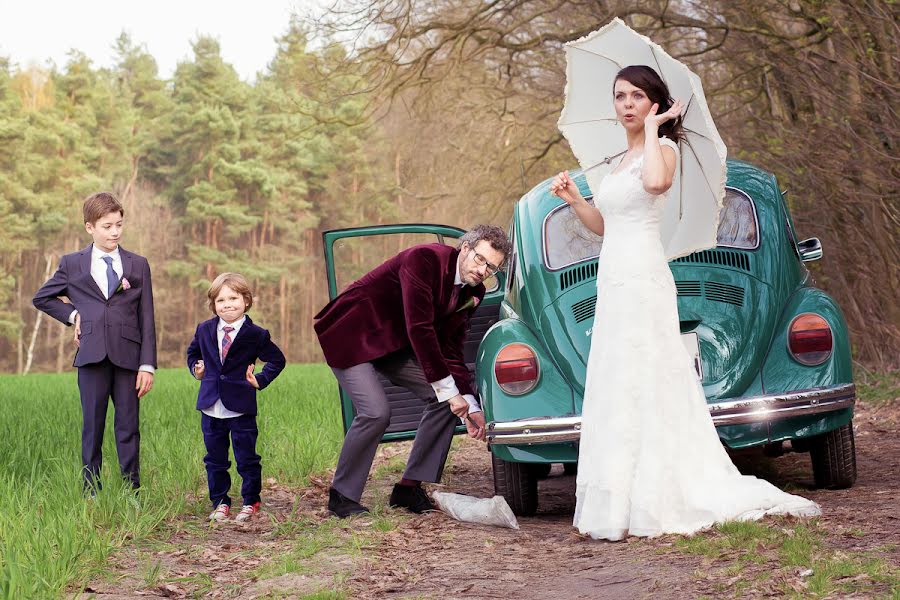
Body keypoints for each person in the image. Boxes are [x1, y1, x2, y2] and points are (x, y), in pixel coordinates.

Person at [550, 65, 821, 540]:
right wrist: (575, 198)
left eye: (637, 96)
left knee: (650, 370)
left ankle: (661, 491)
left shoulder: (666, 149)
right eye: (620, 96)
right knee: (618, 374)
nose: (627, 104)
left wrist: (656, 132)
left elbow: (655, 185)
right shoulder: (615, 161)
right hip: (612, 275)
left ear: (655, 103)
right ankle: (619, 495)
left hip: (643, 273)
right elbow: (604, 226)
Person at [314, 225, 511, 518]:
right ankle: (342, 497)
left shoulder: (474, 292)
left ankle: (408, 488)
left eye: (492, 267)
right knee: (376, 412)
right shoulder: (424, 259)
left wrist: (469, 405)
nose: (483, 270)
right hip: (353, 334)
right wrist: (449, 391)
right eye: (480, 259)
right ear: (466, 248)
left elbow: (451, 348)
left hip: (393, 343)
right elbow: (420, 329)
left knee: (449, 405)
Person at [33, 191, 157, 493]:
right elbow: (42, 298)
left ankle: (132, 491)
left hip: (129, 357)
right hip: (90, 357)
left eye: (119, 224)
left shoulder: (137, 264)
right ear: (90, 227)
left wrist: (147, 365)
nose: (114, 231)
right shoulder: (72, 264)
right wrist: (74, 315)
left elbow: (147, 317)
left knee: (129, 427)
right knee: (92, 427)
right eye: (106, 226)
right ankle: (91, 491)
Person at [187, 272, 286, 522]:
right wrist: (197, 369)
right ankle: (220, 502)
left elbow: (277, 360)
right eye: (221, 300)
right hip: (210, 406)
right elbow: (193, 354)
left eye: (233, 298)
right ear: (213, 305)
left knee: (246, 458)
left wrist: (260, 379)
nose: (227, 304)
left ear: (246, 301)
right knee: (215, 459)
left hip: (241, 407)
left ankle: (251, 500)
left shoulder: (256, 334)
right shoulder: (204, 329)